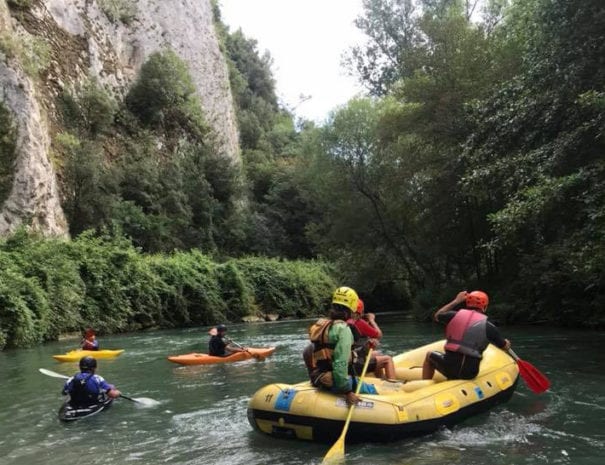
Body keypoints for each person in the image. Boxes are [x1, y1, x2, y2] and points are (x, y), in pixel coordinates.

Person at [307, 286, 377, 406]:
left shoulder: (323, 326)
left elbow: (309, 352)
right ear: (351, 308)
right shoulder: (344, 330)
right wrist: (348, 391)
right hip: (334, 380)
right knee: (372, 390)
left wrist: (365, 349)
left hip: (318, 378)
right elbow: (340, 363)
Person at [422, 290, 512, 380]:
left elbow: (437, 315)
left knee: (429, 355)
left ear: (467, 304)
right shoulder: (489, 327)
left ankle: (425, 383)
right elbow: (504, 347)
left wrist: (456, 301)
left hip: (449, 369)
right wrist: (506, 343)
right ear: (484, 307)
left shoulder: (453, 316)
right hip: (469, 373)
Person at [349, 298, 396, 380]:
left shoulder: (342, 321)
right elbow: (379, 335)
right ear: (360, 312)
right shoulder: (359, 322)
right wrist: (371, 320)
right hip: (354, 364)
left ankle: (380, 379)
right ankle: (393, 384)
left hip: (349, 359)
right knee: (388, 359)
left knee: (377, 353)